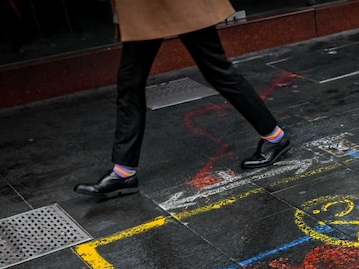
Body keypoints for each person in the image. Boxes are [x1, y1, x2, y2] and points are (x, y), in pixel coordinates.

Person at [75, 0, 291, 199]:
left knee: (218, 71)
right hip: (145, 8)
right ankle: (123, 171)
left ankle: (274, 137)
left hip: (177, 4)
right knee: (130, 83)